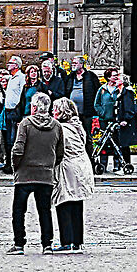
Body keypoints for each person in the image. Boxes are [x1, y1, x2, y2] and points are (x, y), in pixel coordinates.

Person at [7, 94, 62, 254]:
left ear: (34, 107)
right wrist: (50, 165)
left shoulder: (26, 124)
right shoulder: (56, 125)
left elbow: (18, 149)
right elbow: (60, 152)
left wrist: (15, 167)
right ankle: (47, 244)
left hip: (25, 174)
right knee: (45, 210)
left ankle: (19, 244)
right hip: (46, 175)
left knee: (19, 210)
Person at [49, 97, 93, 252]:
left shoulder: (61, 128)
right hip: (80, 166)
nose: (53, 112)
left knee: (64, 202)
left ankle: (67, 241)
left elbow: (58, 150)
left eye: (55, 109)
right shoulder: (77, 126)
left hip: (67, 167)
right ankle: (77, 240)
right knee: (76, 203)